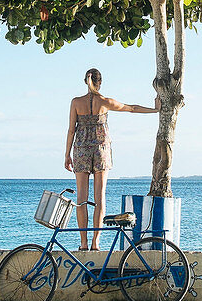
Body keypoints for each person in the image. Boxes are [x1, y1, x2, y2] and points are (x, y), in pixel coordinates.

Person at [64, 67, 160, 251]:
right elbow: (132, 108)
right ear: (100, 83)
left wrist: (67, 154)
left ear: (86, 81)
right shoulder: (105, 102)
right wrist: (155, 110)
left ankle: (83, 243)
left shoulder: (76, 102)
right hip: (101, 150)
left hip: (81, 150)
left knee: (82, 198)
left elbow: (71, 130)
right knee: (100, 198)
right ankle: (95, 242)